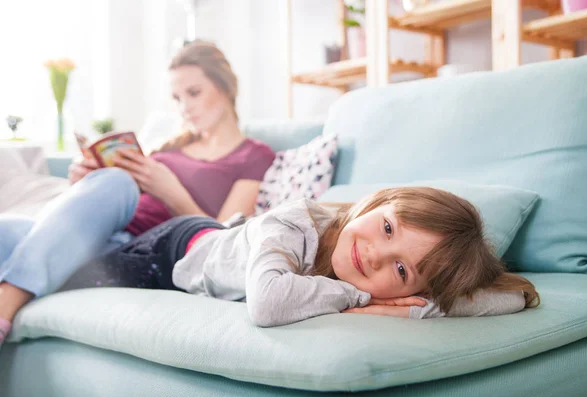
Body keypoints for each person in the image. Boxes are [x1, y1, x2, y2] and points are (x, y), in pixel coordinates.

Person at [0, 40, 275, 343]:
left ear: (226, 88)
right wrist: (84, 183)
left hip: (136, 247)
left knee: (116, 183)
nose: (184, 107)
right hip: (90, 232)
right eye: (177, 97)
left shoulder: (253, 155)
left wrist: (171, 192)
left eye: (194, 93)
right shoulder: (168, 147)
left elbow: (223, 239)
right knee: (7, 228)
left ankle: (8, 298)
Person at [3, 187, 539, 339]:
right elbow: (266, 303)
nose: (375, 251)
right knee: (112, 189)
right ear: (374, 204)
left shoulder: (379, 277)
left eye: (400, 270)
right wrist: (365, 295)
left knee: (18, 235)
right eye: (388, 227)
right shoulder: (294, 221)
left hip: (190, 244)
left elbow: (512, 297)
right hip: (165, 253)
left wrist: (410, 308)